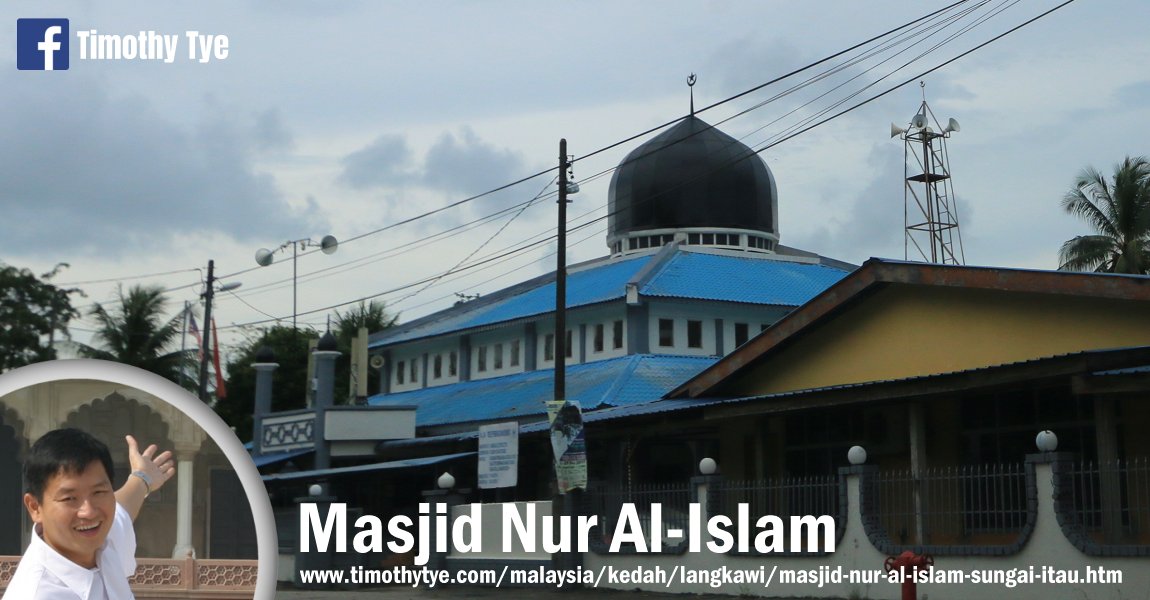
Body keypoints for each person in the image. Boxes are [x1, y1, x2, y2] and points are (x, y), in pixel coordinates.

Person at [3, 428, 176, 600]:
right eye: (70, 498)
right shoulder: (35, 593)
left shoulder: (103, 540)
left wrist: (142, 478)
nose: (89, 512)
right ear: (35, 507)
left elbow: (123, 507)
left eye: (98, 492)